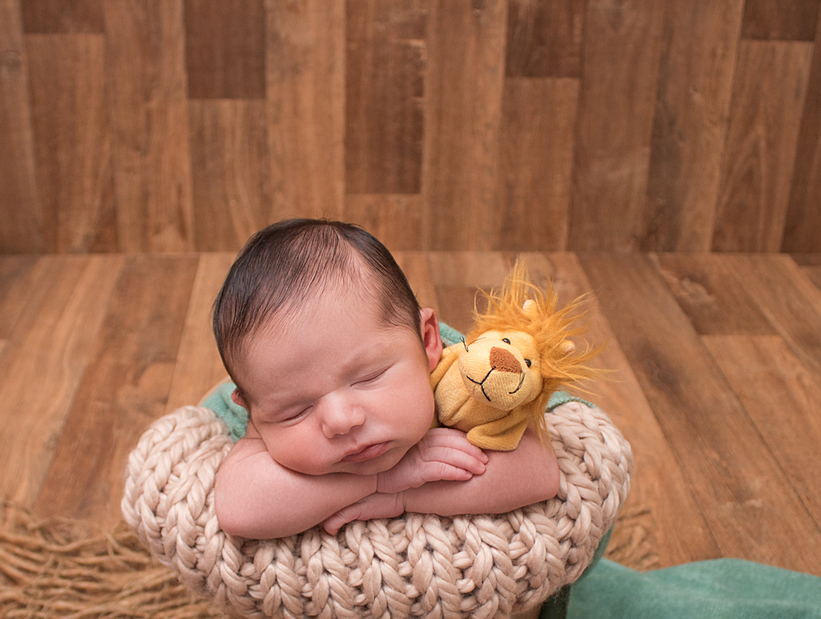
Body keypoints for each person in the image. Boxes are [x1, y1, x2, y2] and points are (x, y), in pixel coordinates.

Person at [211, 218, 562, 540]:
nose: (341, 420)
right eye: (295, 410)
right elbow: (241, 510)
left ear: (427, 342)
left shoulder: (461, 387)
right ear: (252, 409)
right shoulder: (261, 412)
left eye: (369, 377)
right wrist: (387, 479)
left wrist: (405, 496)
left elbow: (539, 473)